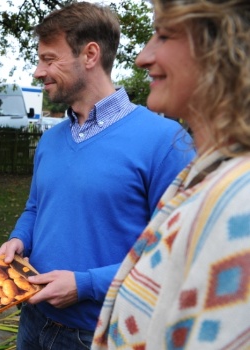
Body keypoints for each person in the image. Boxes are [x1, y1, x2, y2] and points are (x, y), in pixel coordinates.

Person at [0, 2, 196, 349]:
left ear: (89, 55)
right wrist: (18, 239)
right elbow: (36, 208)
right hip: (32, 320)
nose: (39, 72)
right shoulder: (51, 139)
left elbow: (177, 252)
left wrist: (85, 284)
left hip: (102, 332)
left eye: (49, 59)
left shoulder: (166, 142)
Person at [93, 0, 250, 348]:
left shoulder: (240, 203)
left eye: (164, 35)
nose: (142, 57)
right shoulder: (205, 175)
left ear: (227, 47)